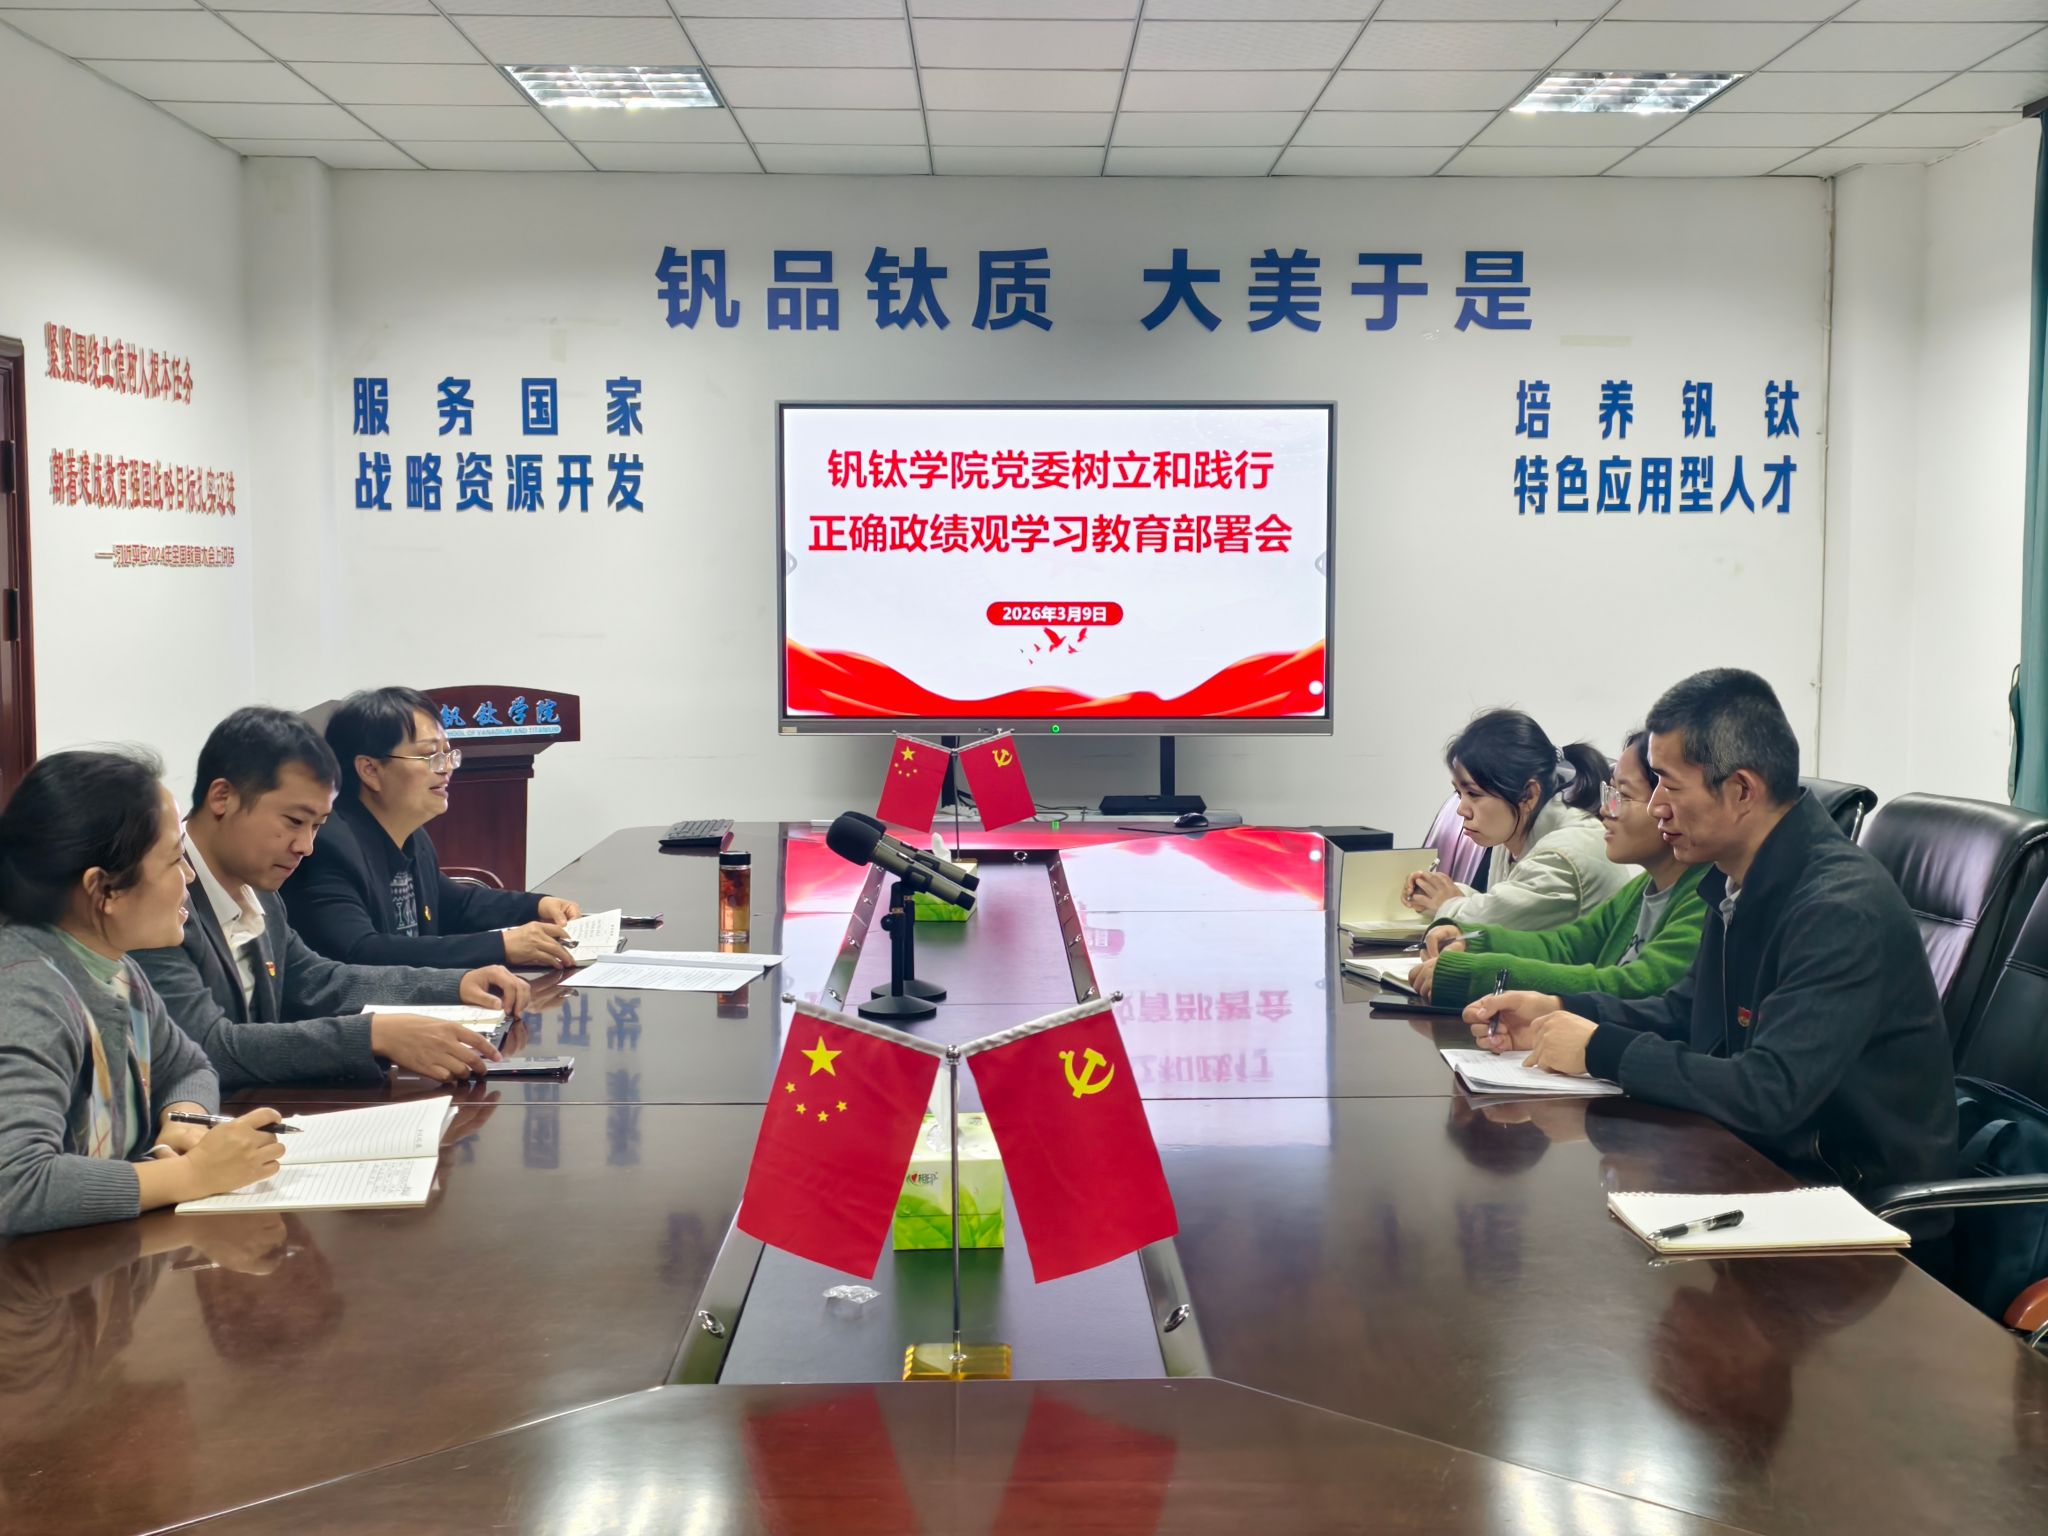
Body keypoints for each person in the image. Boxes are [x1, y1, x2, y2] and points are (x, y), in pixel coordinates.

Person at [1466, 669, 1957, 1207]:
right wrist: (1558, 1010)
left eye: (1670, 786)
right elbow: (1686, 1013)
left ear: (1741, 790)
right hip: (1763, 1172)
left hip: (1856, 1208)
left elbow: (1770, 1091)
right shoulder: (1737, 880)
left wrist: (1599, 1048)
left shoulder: (1839, 906)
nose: (1656, 806)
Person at [135, 707, 526, 1090]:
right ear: (223, 797)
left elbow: (319, 981)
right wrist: (370, 1035)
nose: (305, 846)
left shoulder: (259, 889)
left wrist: (455, 985)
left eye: (317, 826)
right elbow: (206, 1048)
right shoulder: (155, 899)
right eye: (294, 821)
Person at [0, 748, 285, 1237]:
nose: (189, 877)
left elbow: (190, 1066)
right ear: (104, 889)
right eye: (175, 859)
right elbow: (14, 1184)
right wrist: (191, 1174)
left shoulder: (118, 969)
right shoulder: (26, 991)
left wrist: (186, 1119)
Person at [282, 687, 581, 969]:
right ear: (370, 770)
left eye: (448, 754)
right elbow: (360, 951)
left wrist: (539, 906)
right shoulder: (327, 846)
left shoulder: (412, 837)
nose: (446, 767)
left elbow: (458, 905)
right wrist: (501, 946)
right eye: (428, 755)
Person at [1415, 730, 1709, 1009]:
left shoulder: (1706, 898)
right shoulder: (1644, 887)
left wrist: (1474, 974)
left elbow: (1631, 986)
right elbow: (1566, 946)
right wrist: (1472, 942)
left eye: (1623, 795)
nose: (1605, 809)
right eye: (1610, 791)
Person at [1401, 708, 1634, 931]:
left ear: (1528, 795)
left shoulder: (1563, 854)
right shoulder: (1517, 827)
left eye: (1473, 793)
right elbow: (1508, 909)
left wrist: (1446, 903)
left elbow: (1491, 928)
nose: (1461, 810)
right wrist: (1439, 893)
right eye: (1458, 793)